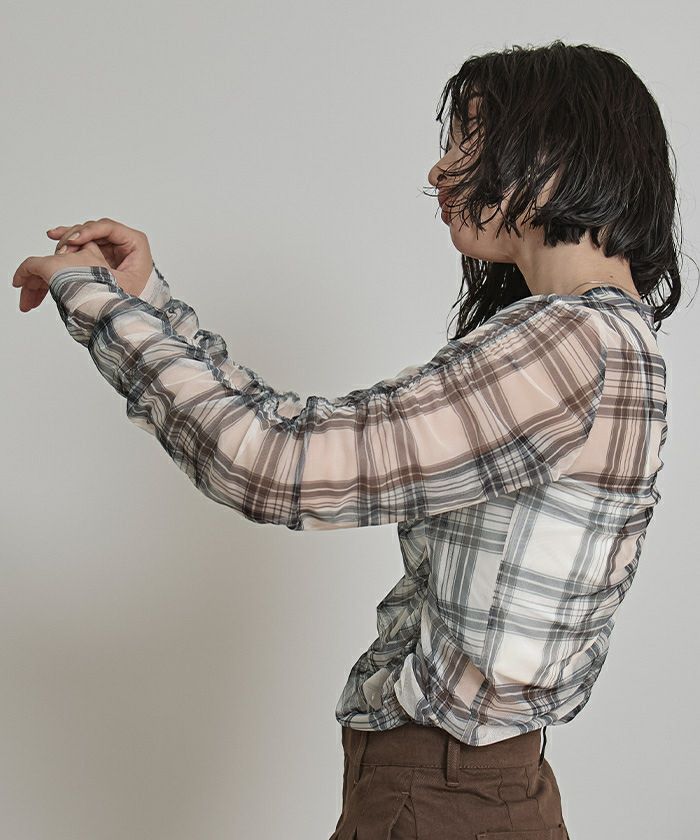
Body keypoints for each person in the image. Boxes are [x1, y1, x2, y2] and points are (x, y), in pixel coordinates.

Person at [12, 38, 682, 840]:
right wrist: (148, 304)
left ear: (555, 155)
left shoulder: (564, 346)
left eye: (471, 138)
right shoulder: (612, 339)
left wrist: (96, 303)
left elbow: (275, 465)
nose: (440, 170)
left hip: (440, 801)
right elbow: (294, 430)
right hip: (487, 790)